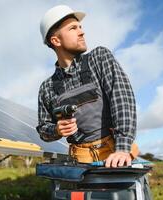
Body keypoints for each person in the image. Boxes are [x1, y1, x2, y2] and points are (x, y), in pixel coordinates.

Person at [36, 5, 139, 168]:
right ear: (55, 40)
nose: (81, 32)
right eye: (73, 28)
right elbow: (43, 129)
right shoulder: (47, 87)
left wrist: (122, 148)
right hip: (79, 161)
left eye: (80, 27)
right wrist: (56, 130)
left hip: (116, 154)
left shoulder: (99, 58)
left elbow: (122, 100)